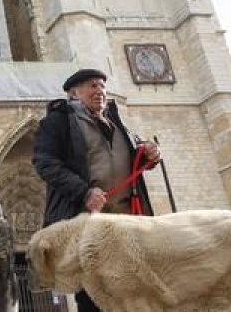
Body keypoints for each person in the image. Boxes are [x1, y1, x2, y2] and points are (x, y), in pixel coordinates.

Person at [32, 68, 161, 312]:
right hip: (85, 222)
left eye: (102, 85)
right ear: (74, 93)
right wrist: (84, 192)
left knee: (133, 288)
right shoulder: (57, 122)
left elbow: (131, 156)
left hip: (125, 221)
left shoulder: (116, 121)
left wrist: (149, 153)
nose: (100, 91)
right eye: (92, 86)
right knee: (94, 293)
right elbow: (44, 162)